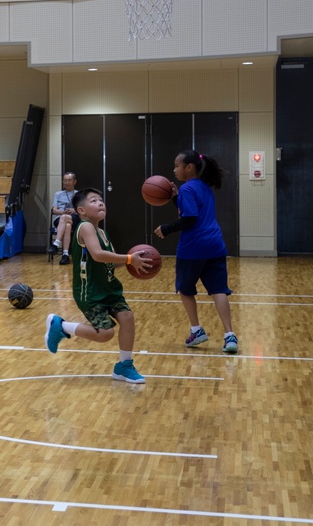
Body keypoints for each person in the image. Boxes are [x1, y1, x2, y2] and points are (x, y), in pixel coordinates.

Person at [44, 187, 153, 384]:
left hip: (109, 289)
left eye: (101, 200)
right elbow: (97, 255)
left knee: (127, 317)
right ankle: (61, 326)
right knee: (105, 333)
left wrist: (134, 263)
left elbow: (108, 261)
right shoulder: (85, 227)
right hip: (90, 292)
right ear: (81, 210)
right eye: (93, 200)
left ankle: (124, 366)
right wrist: (129, 258)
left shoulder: (102, 232)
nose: (100, 203)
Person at [154, 150, 238, 354]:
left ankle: (196, 330)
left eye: (176, 166)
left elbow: (189, 219)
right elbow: (191, 211)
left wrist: (166, 228)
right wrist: (175, 198)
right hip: (215, 246)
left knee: (185, 289)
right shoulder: (203, 187)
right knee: (219, 290)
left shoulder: (188, 188)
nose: (174, 170)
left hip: (193, 248)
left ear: (189, 167)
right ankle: (229, 335)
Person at [48, 171, 78, 265]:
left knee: (66, 220)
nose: (67, 183)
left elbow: (84, 209)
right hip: (60, 218)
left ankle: (56, 244)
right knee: (67, 226)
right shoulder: (58, 194)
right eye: (65, 180)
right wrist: (62, 212)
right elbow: (54, 210)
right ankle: (65, 255)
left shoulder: (79, 194)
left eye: (69, 180)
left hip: (74, 218)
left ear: (74, 182)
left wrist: (74, 210)